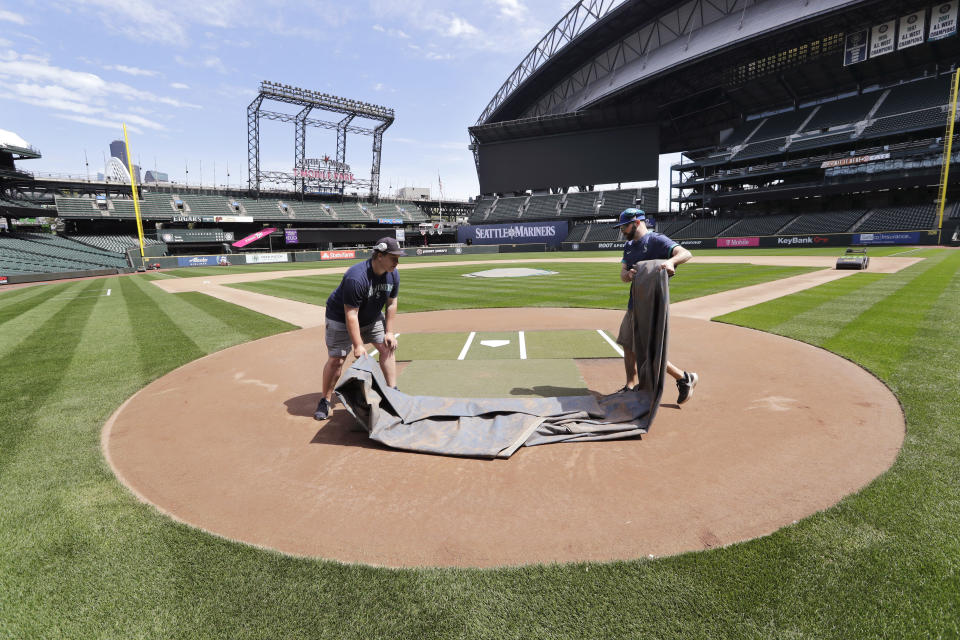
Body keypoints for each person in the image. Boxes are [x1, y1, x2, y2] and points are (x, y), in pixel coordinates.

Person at [613, 208, 699, 404]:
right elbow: (623, 275)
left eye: (624, 226)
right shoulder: (628, 246)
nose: (622, 231)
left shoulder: (657, 240)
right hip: (634, 303)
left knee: (649, 351)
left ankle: (685, 378)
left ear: (636, 223)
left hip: (652, 305)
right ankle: (630, 384)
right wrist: (629, 275)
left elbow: (686, 253)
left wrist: (671, 262)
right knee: (628, 344)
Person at [314, 237, 404, 420]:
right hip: (340, 317)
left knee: (387, 347)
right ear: (380, 256)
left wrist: (389, 332)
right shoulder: (356, 277)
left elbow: (392, 303)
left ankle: (393, 391)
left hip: (371, 316)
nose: (397, 261)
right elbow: (351, 315)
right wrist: (358, 345)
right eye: (393, 257)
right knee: (337, 360)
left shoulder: (393, 274)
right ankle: (325, 400)